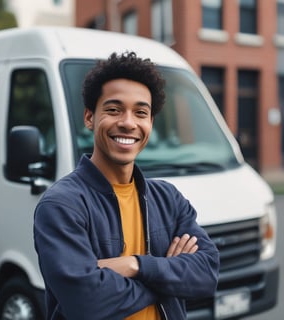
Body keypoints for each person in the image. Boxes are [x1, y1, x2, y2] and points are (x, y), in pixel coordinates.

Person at [34, 51, 219, 320]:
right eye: (113, 109)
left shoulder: (168, 198)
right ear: (89, 117)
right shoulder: (62, 204)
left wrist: (135, 265)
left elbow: (207, 274)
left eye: (140, 112)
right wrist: (168, 274)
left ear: (150, 123)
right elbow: (86, 304)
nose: (128, 123)